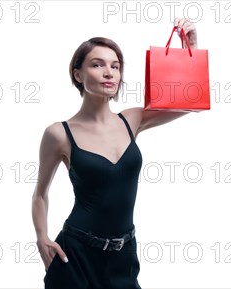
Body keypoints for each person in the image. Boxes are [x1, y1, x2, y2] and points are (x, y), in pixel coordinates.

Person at [31, 18, 199, 288]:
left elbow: (189, 102)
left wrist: (189, 49)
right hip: (76, 255)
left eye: (115, 66)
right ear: (78, 74)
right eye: (97, 65)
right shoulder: (58, 133)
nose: (109, 72)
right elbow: (40, 193)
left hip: (124, 255)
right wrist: (42, 238)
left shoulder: (131, 119)